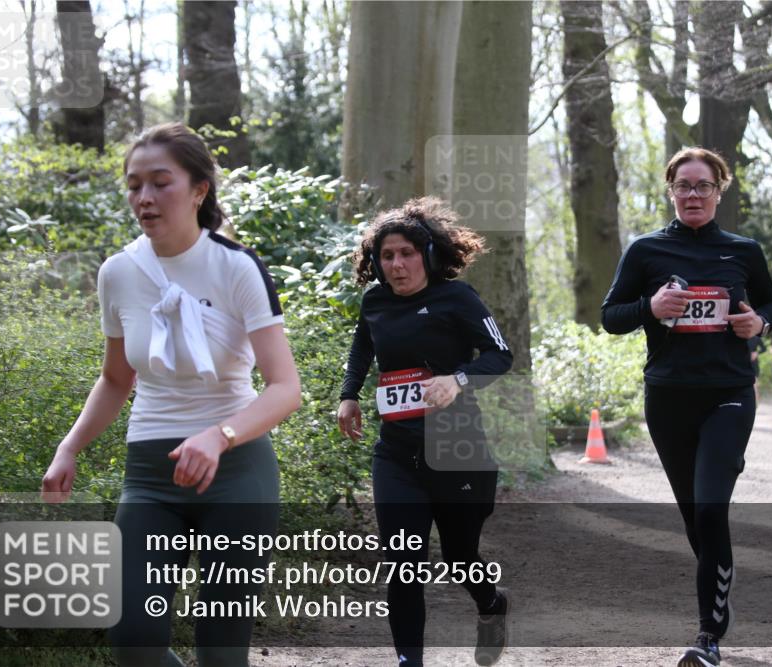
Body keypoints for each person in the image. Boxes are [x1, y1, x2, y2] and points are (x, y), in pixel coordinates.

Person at [41, 123, 302, 667]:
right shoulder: (118, 273)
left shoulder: (237, 267)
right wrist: (69, 448)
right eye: (135, 185)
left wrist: (219, 436)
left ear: (199, 189)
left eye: (161, 183)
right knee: (132, 638)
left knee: (221, 654)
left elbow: (285, 388)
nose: (145, 197)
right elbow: (117, 379)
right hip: (151, 475)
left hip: (237, 474)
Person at [601, 147, 772, 667]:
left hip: (728, 394)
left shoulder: (743, 251)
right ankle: (718, 573)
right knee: (696, 521)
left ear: (719, 191)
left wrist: (760, 325)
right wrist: (649, 308)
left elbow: (771, 302)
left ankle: (708, 636)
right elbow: (611, 316)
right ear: (670, 190)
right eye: (683, 185)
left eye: (703, 186)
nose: (693, 194)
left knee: (710, 509)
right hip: (668, 399)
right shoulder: (645, 250)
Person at [336, 197, 513, 667]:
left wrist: (455, 381)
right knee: (402, 564)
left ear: (428, 255)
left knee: (460, 558)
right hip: (396, 455)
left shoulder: (457, 298)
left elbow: (500, 355)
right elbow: (363, 342)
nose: (397, 265)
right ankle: (408, 661)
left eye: (406, 254)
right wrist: (349, 393)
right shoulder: (375, 301)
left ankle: (491, 604)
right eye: (387, 256)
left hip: (457, 450)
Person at [747, 336, 766, 403]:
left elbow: (764, 348)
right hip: (742, 364)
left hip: (753, 364)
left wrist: (757, 353)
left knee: (754, 384)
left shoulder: (756, 338)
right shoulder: (739, 336)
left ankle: (755, 404)